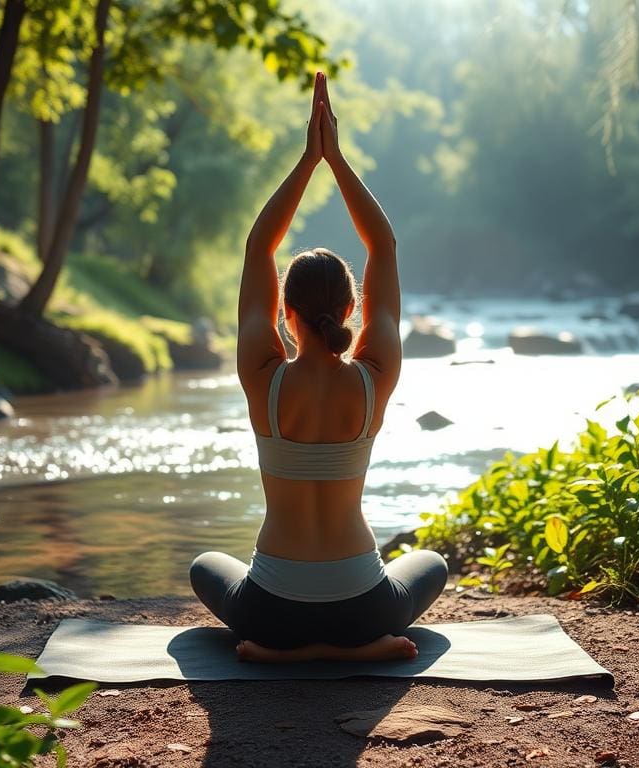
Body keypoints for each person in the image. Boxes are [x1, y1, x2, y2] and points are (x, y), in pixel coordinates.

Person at [190, 72, 447, 663]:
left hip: (271, 613)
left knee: (206, 566)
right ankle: (353, 650)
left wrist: (308, 161)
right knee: (431, 563)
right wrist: (338, 158)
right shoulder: (373, 375)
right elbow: (382, 247)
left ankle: (289, 654)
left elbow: (259, 248)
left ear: (284, 310)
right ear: (351, 309)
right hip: (364, 608)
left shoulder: (263, 374)